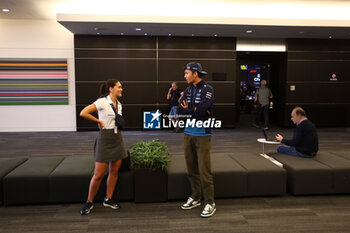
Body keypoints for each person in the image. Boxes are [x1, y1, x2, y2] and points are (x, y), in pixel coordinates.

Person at [79, 79, 128, 215]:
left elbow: (119, 123)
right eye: (119, 87)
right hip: (105, 139)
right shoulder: (102, 102)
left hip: (117, 138)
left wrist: (121, 139)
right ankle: (89, 202)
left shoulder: (119, 104)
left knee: (114, 171)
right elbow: (83, 113)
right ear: (111, 89)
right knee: (98, 174)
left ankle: (108, 199)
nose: (121, 89)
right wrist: (98, 121)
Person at [178, 62, 216, 218]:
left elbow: (202, 111)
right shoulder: (187, 90)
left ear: (195, 73)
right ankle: (195, 197)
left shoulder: (208, 89)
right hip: (187, 133)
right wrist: (190, 110)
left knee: (204, 171)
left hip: (202, 135)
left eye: (187, 73)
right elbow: (180, 109)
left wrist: (190, 110)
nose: (185, 75)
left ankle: (210, 202)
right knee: (191, 169)